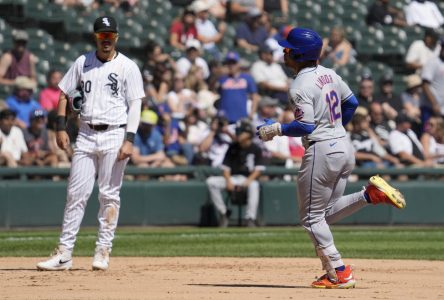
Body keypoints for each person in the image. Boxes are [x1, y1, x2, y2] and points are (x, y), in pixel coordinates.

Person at [256, 27, 406, 289]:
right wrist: (336, 128)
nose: (284, 53)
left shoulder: (299, 85)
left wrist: (276, 129)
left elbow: (305, 127)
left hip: (323, 151)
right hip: (344, 147)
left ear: (298, 54)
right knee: (323, 215)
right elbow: (352, 103)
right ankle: (369, 195)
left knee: (311, 219)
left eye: (287, 49)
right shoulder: (330, 74)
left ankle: (340, 270)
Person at [37, 16, 145, 271]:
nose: (106, 40)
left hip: (114, 133)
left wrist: (129, 139)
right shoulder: (82, 62)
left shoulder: (128, 66)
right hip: (85, 133)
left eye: (110, 35)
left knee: (109, 195)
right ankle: (64, 253)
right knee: (76, 194)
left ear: (116, 37)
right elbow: (64, 92)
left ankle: (103, 250)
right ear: (95, 37)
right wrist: (60, 126)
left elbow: (136, 103)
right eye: (101, 35)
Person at [206, 120, 264, 227]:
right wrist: (228, 181)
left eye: (241, 132)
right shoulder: (233, 147)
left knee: (254, 185)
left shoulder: (256, 148)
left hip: (248, 179)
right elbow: (226, 168)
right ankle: (224, 213)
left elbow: (258, 170)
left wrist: (248, 181)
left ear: (248, 134)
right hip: (233, 178)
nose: (238, 134)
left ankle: (250, 218)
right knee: (211, 182)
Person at [216, 51, 259, 123]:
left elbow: (255, 96)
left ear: (238, 64)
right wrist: (219, 75)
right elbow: (213, 89)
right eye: (229, 63)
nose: (231, 65)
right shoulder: (222, 78)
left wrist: (252, 113)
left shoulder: (246, 78)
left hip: (241, 117)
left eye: (233, 63)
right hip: (224, 118)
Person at [422, 38, 444, 120]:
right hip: (430, 108)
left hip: (442, 109)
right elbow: (425, 85)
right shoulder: (433, 62)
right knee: (428, 132)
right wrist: (434, 104)